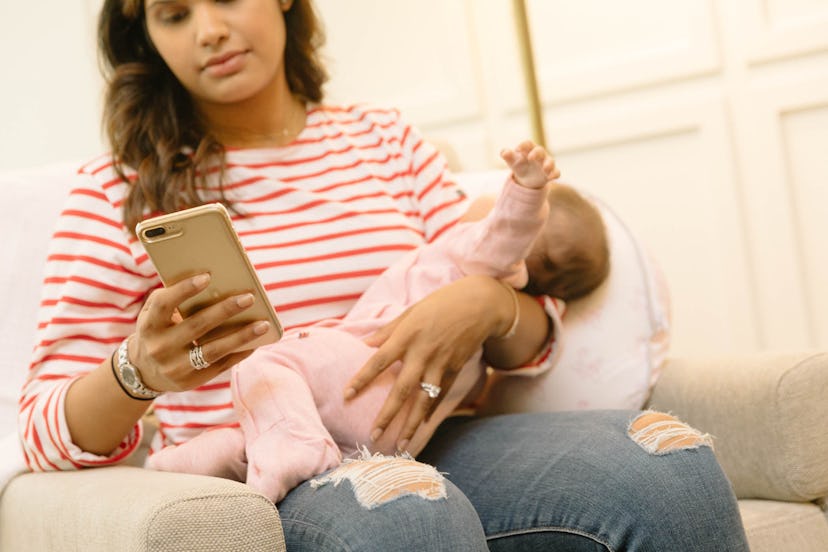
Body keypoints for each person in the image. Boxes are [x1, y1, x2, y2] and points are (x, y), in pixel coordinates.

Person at [18, 0, 750, 549]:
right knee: (403, 515)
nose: (206, 30)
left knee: (670, 471)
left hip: (445, 436)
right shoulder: (118, 190)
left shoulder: (384, 139)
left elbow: (527, 337)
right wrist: (136, 373)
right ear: (147, 37)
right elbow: (44, 429)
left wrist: (490, 303)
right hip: (278, 471)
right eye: (173, 15)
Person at [146, 142, 611, 503]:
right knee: (256, 432)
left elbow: (506, 230)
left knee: (266, 364)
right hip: (388, 434)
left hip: (366, 376)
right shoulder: (470, 349)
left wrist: (526, 192)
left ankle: (292, 455)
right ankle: (175, 467)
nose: (474, 203)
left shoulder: (477, 260)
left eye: (490, 201)